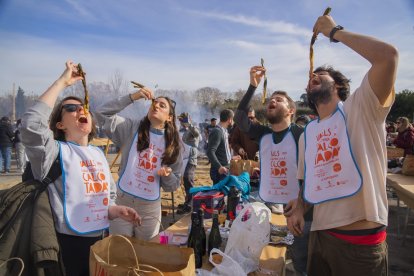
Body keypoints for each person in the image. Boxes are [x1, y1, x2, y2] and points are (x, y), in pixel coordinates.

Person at [286, 13, 398, 276]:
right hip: (320, 238)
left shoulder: (361, 107)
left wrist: (334, 31)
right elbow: (309, 183)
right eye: (311, 75)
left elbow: (388, 57)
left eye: (321, 74)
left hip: (359, 245)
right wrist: (300, 208)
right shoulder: (308, 133)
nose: (313, 75)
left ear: (337, 85)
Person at [21, 60, 141, 276]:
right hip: (64, 245)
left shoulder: (98, 154)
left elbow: (106, 197)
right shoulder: (52, 152)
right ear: (60, 124)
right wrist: (62, 83)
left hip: (99, 240)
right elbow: (31, 125)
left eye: (83, 107)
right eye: (70, 108)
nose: (80, 110)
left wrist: (115, 210)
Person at [234, 67, 307, 274]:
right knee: (265, 260)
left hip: (297, 208)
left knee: (301, 262)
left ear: (291, 111)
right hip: (267, 204)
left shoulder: (301, 134)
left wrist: (303, 204)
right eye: (270, 99)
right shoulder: (263, 133)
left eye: (279, 100)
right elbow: (240, 119)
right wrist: (252, 86)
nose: (272, 101)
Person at [96, 81, 183, 241]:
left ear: (169, 118)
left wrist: (167, 175)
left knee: (147, 254)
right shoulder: (131, 128)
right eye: (154, 104)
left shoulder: (175, 145)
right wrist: (133, 97)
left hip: (150, 208)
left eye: (162, 105)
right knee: (119, 251)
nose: (156, 106)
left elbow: (173, 185)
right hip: (123, 201)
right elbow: (101, 114)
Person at [177, 112, 201, 214]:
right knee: (186, 180)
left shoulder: (193, 128)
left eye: (183, 120)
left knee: (188, 179)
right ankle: (188, 202)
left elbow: (196, 134)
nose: (182, 123)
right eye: (181, 121)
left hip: (191, 159)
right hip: (185, 158)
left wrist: (189, 124)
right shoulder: (185, 131)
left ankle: (190, 204)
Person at [207, 110, 234, 184]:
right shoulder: (217, 131)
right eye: (233, 119)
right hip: (220, 171)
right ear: (229, 120)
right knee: (219, 195)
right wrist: (219, 167)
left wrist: (231, 158)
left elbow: (221, 150)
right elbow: (210, 151)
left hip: (225, 169)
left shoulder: (224, 131)